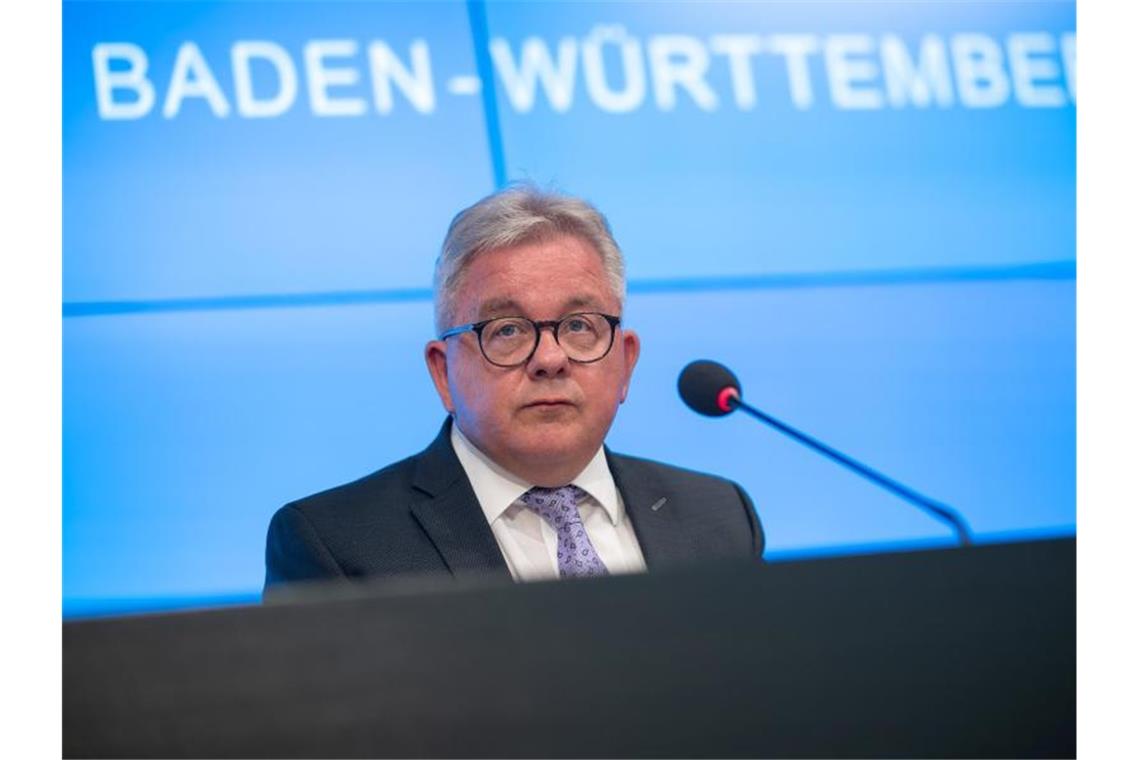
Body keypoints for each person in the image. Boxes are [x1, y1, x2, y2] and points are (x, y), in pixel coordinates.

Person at [264, 185, 763, 594]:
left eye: (580, 326)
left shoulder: (719, 517)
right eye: (506, 330)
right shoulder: (336, 547)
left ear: (626, 361)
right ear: (443, 373)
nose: (550, 359)